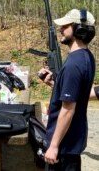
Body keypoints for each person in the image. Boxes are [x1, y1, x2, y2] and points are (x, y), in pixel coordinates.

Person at [38, 9, 96, 171]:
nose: (60, 29)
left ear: (79, 29)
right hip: (72, 140)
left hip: (64, 145)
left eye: (66, 26)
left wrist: (54, 146)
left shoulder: (73, 65)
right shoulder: (86, 57)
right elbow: (78, 93)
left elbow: (68, 109)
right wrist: (54, 83)